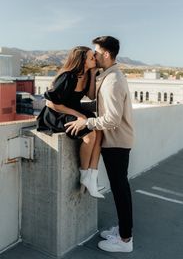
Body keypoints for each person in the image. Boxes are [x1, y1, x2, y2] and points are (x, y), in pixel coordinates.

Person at [65, 36, 134, 253]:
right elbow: (97, 99)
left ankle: (125, 240)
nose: (94, 55)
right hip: (115, 140)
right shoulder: (109, 75)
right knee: (119, 187)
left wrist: (87, 122)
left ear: (106, 53)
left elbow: (112, 119)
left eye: (96, 52)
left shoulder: (114, 80)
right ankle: (123, 232)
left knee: (120, 189)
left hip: (117, 141)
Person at [36, 46, 104, 199]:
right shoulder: (68, 76)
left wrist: (92, 74)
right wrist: (79, 115)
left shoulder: (86, 75)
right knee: (90, 135)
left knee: (99, 131)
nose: (95, 59)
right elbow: (50, 103)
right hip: (57, 114)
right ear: (82, 61)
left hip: (73, 110)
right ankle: (84, 174)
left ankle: (92, 177)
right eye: (91, 57)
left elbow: (92, 95)